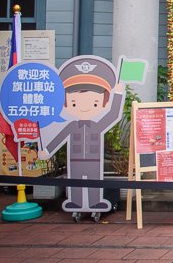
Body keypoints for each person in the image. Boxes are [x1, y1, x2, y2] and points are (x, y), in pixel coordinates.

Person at [39, 56, 125, 213]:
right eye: (74, 102)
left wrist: (118, 94)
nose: (84, 107)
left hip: (94, 160)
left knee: (94, 181)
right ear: (65, 102)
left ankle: (95, 202)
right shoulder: (72, 126)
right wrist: (47, 150)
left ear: (104, 102)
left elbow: (112, 115)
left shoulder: (98, 126)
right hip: (75, 160)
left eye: (94, 103)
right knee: (76, 181)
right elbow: (59, 137)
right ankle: (76, 202)